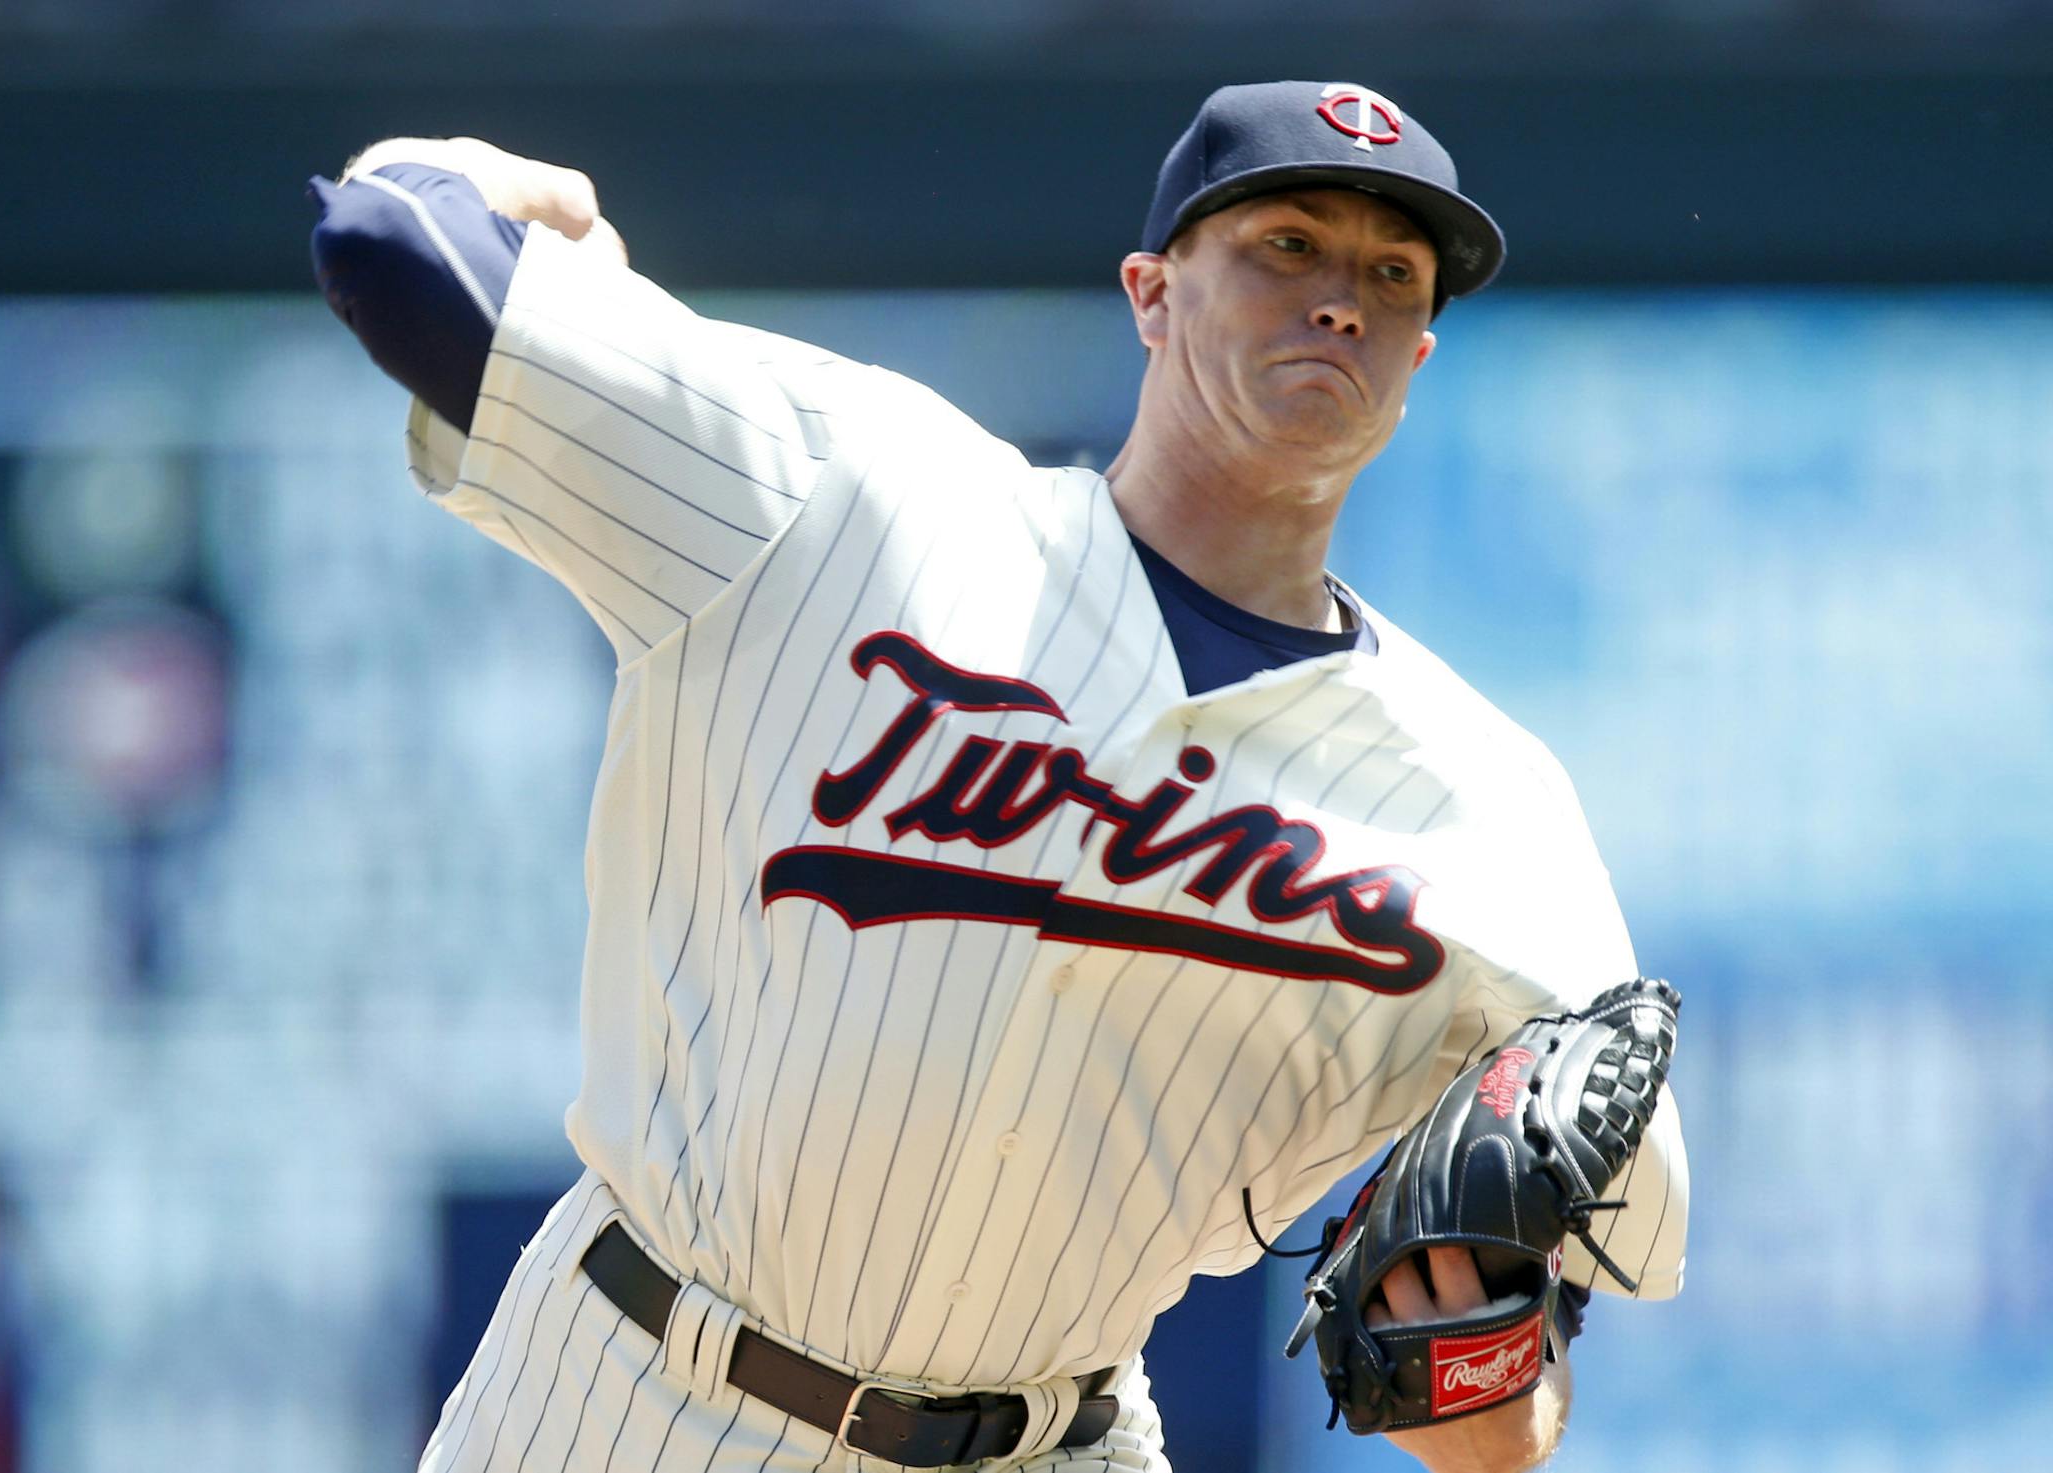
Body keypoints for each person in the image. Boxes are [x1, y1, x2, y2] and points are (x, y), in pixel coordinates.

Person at [309, 78, 1688, 1473]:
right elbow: (394, 251)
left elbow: (1512, 1402)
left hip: (1053, 1437)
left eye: (1392, 276)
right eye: (1288, 243)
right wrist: (457, 162)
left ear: (1419, 355)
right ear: (1150, 293)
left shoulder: (1489, 814)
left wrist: (1484, 1375)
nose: (1342, 299)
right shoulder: (853, 494)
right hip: (641, 1386)